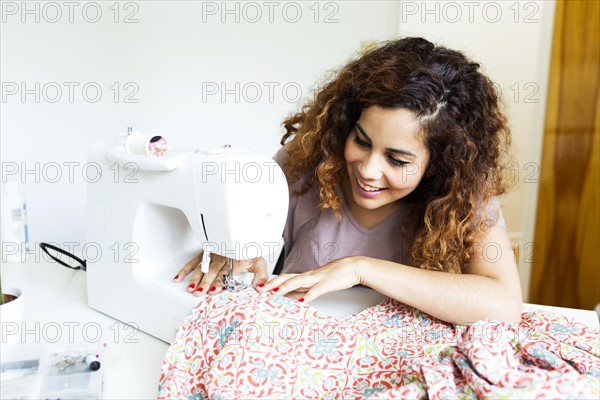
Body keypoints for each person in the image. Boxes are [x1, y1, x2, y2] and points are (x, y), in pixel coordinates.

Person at [172, 37, 522, 324]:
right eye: (362, 141)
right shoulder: (308, 160)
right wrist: (236, 251)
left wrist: (360, 269)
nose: (368, 170)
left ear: (439, 166)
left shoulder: (461, 197)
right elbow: (248, 238)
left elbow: (503, 305)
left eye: (397, 160)